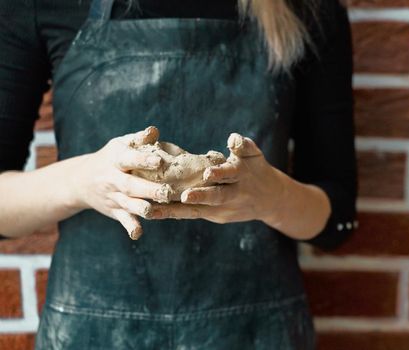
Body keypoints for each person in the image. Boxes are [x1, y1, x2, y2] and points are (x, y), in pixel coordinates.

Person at [0, 0, 357, 348]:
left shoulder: (306, 9)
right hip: (93, 330)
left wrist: (272, 197)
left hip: (253, 329)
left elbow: (336, 219)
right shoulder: (39, 5)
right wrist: (81, 182)